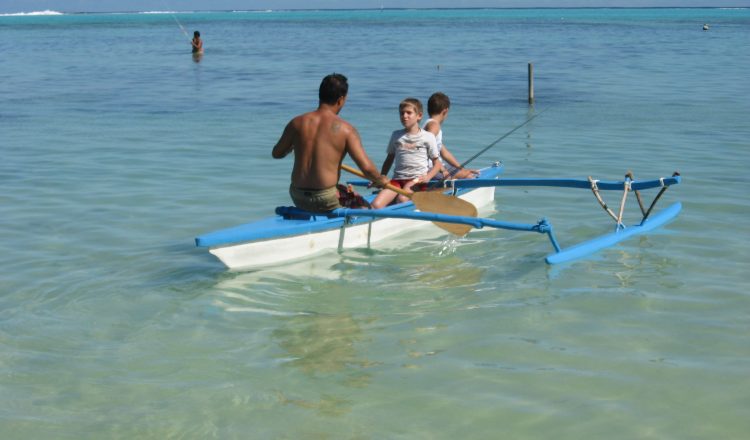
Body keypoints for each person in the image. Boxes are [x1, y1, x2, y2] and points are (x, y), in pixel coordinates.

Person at [272, 73, 389, 213]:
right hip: (326, 199)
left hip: (297, 195)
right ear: (341, 100)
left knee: (343, 190)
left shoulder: (296, 123)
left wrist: (293, 146)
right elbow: (367, 169)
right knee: (365, 207)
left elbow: (277, 153)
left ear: (320, 95)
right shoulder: (346, 130)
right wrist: (380, 180)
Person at [370, 98, 441, 209]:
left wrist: (428, 177)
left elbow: (437, 164)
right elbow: (389, 159)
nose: (404, 116)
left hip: (417, 180)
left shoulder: (428, 137)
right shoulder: (396, 135)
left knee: (402, 199)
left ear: (419, 116)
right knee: (376, 205)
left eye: (409, 113)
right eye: (402, 113)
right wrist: (381, 177)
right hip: (397, 180)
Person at [423, 92, 479, 180]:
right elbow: (426, 145)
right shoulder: (434, 125)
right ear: (445, 111)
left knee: (464, 173)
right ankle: (446, 191)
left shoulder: (429, 124)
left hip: (435, 166)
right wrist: (442, 169)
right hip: (431, 168)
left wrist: (460, 167)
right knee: (468, 176)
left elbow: (445, 153)